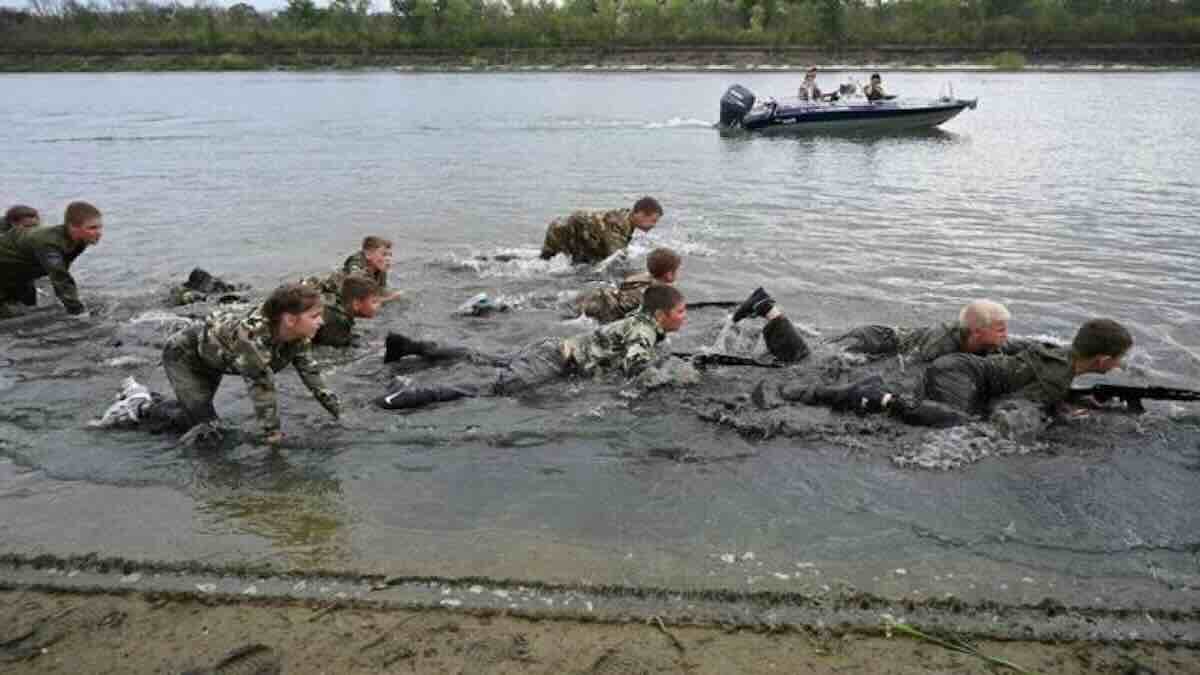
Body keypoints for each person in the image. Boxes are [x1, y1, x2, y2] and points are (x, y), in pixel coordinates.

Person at [376, 285, 688, 410]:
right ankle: (405, 391)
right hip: (553, 360)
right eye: (681, 312)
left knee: (485, 358)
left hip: (551, 350)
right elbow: (636, 367)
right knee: (493, 389)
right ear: (661, 314)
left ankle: (411, 347)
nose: (684, 317)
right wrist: (673, 377)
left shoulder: (643, 320)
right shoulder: (645, 329)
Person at [780, 318, 1133, 428]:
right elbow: (1010, 407)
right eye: (1118, 360)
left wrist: (1065, 404)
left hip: (961, 368)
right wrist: (1051, 416)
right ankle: (882, 398)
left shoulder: (1058, 354)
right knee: (957, 424)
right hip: (957, 373)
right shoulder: (1059, 376)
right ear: (1102, 360)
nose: (1118, 366)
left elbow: (1028, 377)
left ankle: (877, 393)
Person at [161, 283, 341, 444]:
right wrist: (273, 435)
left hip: (213, 358)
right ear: (290, 320)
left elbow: (312, 374)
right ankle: (142, 406)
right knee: (208, 431)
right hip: (184, 356)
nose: (322, 321)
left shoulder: (298, 337)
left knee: (202, 418)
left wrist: (339, 413)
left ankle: (167, 409)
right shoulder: (252, 341)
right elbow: (262, 389)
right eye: (315, 316)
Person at [732, 290, 1021, 364]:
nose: (1005, 335)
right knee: (809, 362)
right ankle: (768, 308)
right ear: (977, 332)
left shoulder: (983, 339)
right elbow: (910, 368)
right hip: (873, 340)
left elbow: (1017, 346)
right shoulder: (941, 343)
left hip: (878, 340)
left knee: (815, 354)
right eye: (1000, 329)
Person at [0, 201, 102, 317]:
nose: (99, 233)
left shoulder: (80, 241)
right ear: (73, 227)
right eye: (92, 228)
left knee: (29, 309)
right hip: (6, 270)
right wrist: (79, 312)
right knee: (12, 317)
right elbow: (60, 277)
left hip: (19, 273)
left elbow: (61, 271)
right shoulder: (48, 243)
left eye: (99, 227)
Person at [539, 196, 663, 265]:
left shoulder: (626, 217)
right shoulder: (619, 224)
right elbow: (616, 258)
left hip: (573, 233)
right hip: (561, 233)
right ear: (640, 214)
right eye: (653, 220)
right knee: (545, 268)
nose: (653, 225)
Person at [576, 247, 681, 323]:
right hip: (606, 312)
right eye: (677, 270)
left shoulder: (640, 277)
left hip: (596, 299)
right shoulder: (657, 293)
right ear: (669, 275)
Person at [308, 236, 403, 304]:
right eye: (383, 254)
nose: (388, 259)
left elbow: (380, 290)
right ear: (368, 255)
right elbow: (360, 299)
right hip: (319, 292)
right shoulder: (357, 266)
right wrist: (390, 298)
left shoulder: (380, 267)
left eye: (390, 255)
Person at [312, 275, 382, 348]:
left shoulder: (339, 306)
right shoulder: (338, 320)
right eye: (374, 302)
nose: (379, 305)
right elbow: (332, 349)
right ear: (356, 304)